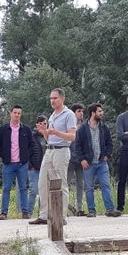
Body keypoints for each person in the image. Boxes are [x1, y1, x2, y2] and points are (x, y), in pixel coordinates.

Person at [29, 88, 77, 225]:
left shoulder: (69, 114)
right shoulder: (52, 115)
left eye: (55, 98)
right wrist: (44, 132)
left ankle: (61, 216)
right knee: (42, 182)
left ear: (62, 99)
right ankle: (44, 215)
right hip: (49, 150)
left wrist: (56, 133)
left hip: (62, 150)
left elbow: (72, 136)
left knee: (61, 183)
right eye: (51, 98)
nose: (52, 101)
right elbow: (50, 138)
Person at [72, 103, 120, 217]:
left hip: (102, 162)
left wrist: (107, 155)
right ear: (93, 113)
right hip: (89, 163)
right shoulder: (82, 129)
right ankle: (91, 210)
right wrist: (82, 159)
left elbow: (109, 143)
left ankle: (110, 209)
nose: (102, 113)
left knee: (105, 185)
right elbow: (77, 146)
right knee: (89, 188)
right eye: (99, 111)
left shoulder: (104, 127)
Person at [0, 105, 34, 219]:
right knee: (6, 188)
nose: (17, 115)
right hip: (8, 163)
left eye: (19, 113)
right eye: (15, 112)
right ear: (10, 113)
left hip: (22, 164)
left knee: (23, 188)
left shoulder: (26, 129)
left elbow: (31, 145)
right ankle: (4, 213)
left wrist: (26, 156)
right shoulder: (3, 129)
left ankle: (25, 212)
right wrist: (3, 156)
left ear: (21, 115)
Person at [66, 103, 86, 216]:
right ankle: (65, 207)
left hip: (81, 159)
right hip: (69, 159)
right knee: (66, 184)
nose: (81, 113)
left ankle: (79, 208)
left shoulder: (85, 126)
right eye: (78, 111)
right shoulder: (68, 126)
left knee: (80, 184)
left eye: (82, 111)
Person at [26, 115, 47, 217]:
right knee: (33, 190)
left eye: (45, 123)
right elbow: (26, 151)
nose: (43, 125)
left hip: (45, 167)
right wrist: (30, 165)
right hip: (34, 168)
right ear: (37, 125)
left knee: (44, 192)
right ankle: (29, 212)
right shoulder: (32, 136)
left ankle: (41, 213)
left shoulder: (49, 137)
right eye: (40, 123)